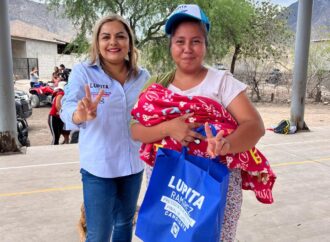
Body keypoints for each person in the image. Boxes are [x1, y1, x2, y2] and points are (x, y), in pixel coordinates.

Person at [131, 4, 266, 241]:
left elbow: (254, 125)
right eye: (180, 41)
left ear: (205, 45)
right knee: (169, 234)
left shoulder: (221, 83)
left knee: (212, 235)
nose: (187, 49)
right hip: (169, 180)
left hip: (212, 180)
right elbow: (135, 131)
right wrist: (169, 128)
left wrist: (226, 144)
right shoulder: (157, 85)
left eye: (196, 41)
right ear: (170, 45)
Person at [60, 14, 150, 242]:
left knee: (123, 226)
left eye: (120, 36)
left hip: (132, 167)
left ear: (129, 42)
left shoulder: (143, 77)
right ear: (97, 43)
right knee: (99, 234)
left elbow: (150, 113)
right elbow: (68, 107)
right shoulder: (84, 72)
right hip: (99, 169)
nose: (113, 42)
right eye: (106, 37)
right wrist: (80, 114)